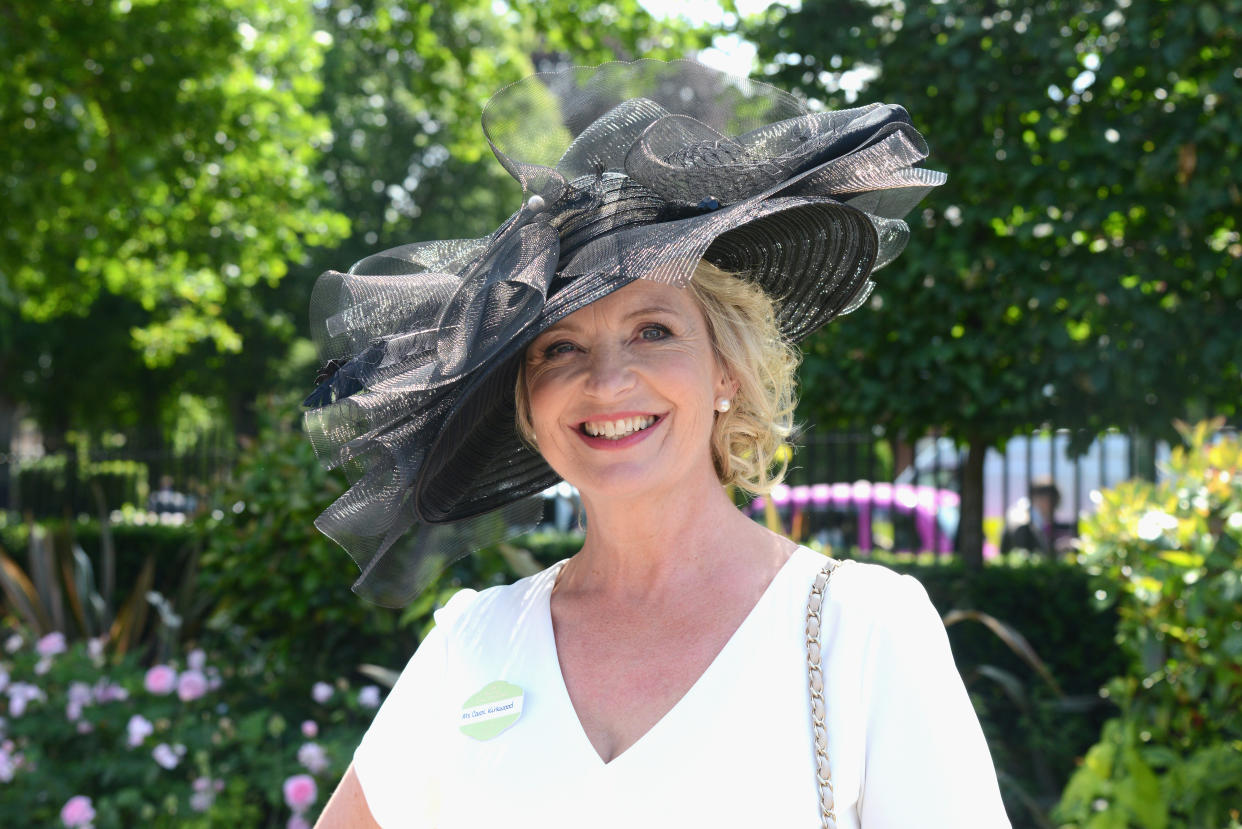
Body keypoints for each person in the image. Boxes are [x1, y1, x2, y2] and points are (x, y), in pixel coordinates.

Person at [303, 60, 1009, 828]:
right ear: (530, 408)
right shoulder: (475, 641)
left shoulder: (863, 628)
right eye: (558, 348)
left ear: (727, 372)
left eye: (653, 330)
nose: (607, 382)